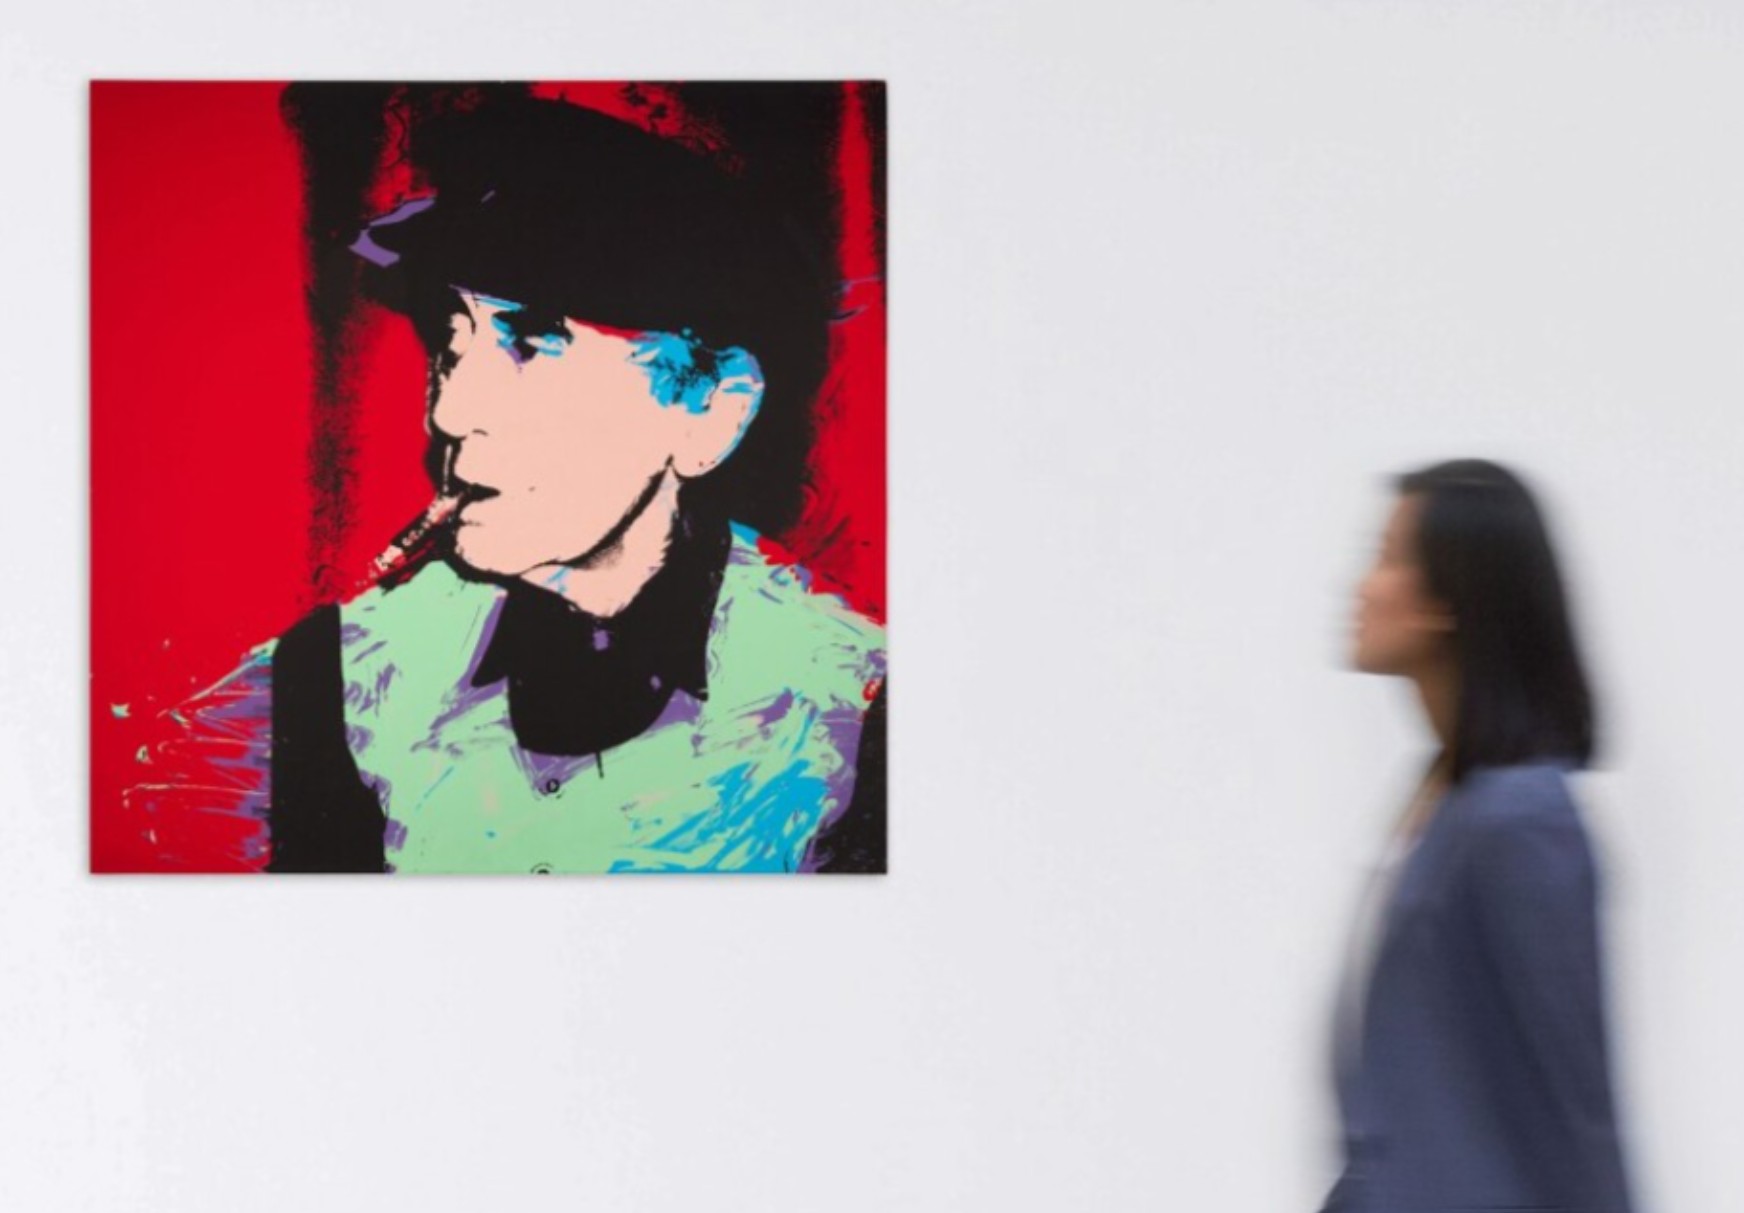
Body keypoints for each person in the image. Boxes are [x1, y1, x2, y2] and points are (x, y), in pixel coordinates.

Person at [160, 92, 887, 875]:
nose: (451, 408)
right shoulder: (334, 678)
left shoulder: (857, 708)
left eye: (536, 341)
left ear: (711, 409)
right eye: (452, 341)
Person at [1323, 459, 1633, 1211]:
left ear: (1448, 599)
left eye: (1388, 558)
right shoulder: (1444, 802)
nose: (1362, 587)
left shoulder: (1522, 818)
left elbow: (1572, 1100)